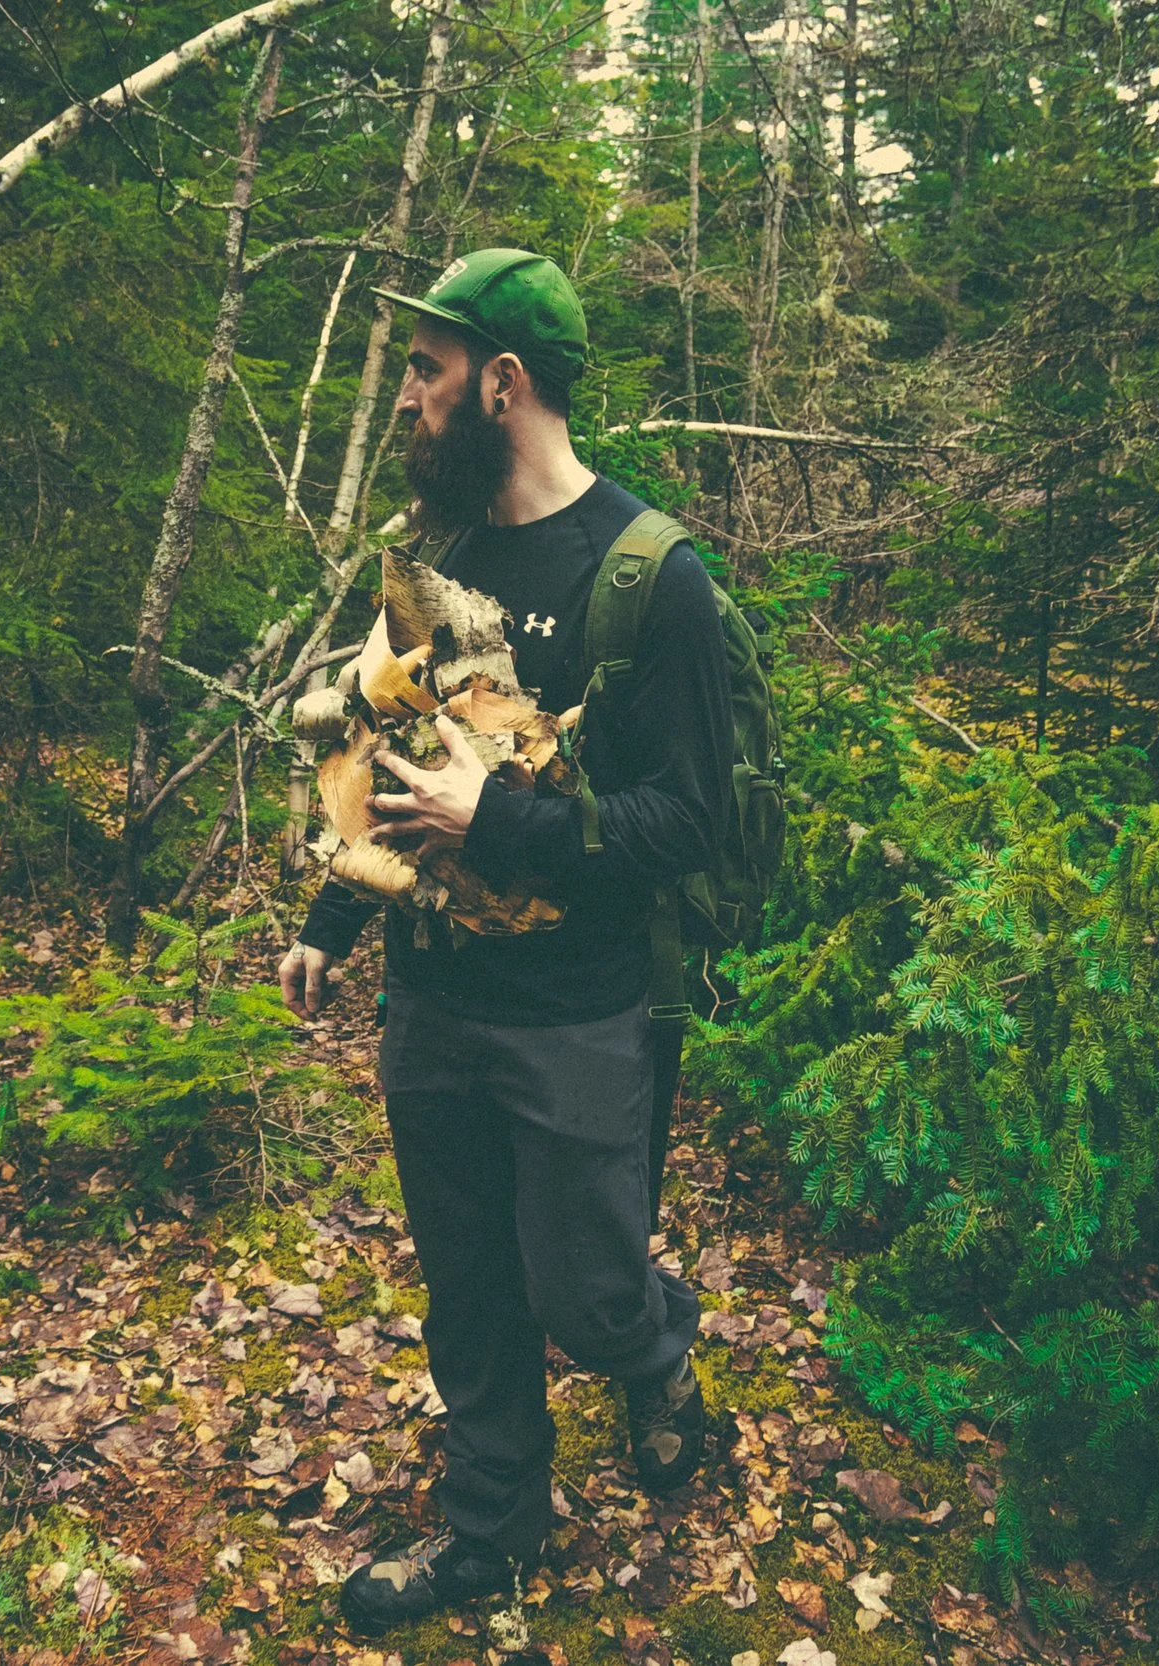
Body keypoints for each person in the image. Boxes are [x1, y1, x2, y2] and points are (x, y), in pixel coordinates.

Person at [277, 248, 737, 1635]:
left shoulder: (652, 576)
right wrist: (330, 922)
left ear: (505, 381)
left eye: (427, 371)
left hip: (581, 1013)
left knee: (582, 1289)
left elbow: (691, 817)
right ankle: (492, 1527)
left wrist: (507, 825)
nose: (411, 399)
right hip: (434, 1003)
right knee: (471, 1288)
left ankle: (652, 1350)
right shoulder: (442, 563)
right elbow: (380, 753)